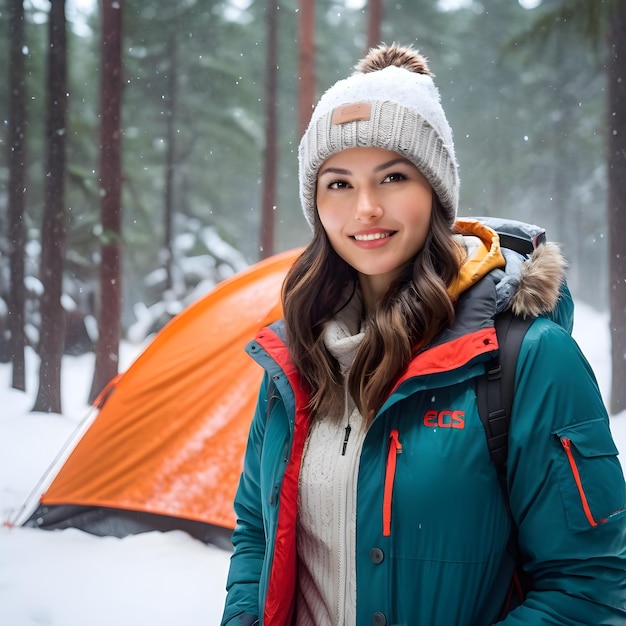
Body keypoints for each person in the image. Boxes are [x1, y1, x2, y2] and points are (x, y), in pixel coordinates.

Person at [220, 43, 626, 626]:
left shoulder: (526, 358)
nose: (365, 207)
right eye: (338, 183)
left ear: (435, 191)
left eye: (393, 177)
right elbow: (257, 535)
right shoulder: (297, 357)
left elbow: (588, 587)